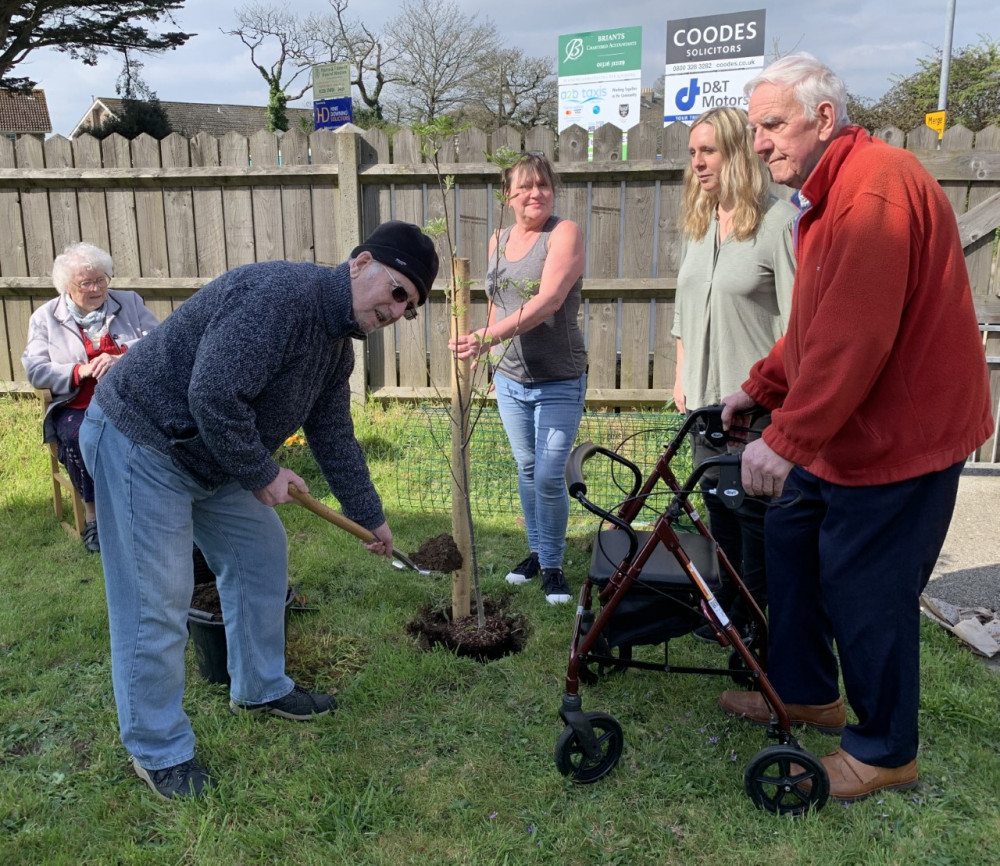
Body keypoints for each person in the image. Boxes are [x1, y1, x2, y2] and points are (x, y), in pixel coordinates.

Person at [79, 220, 439, 800]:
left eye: (411, 307)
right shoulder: (280, 299)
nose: (398, 310)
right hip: (141, 440)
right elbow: (213, 394)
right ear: (361, 263)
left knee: (261, 551)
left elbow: (333, 433)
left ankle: (260, 686)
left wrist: (369, 514)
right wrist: (263, 472)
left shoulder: (334, 348)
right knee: (156, 598)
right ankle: (159, 750)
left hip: (208, 455)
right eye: (397, 291)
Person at [717, 53, 993, 802]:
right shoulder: (827, 196)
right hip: (851, 426)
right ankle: (809, 692)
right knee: (792, 536)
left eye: (773, 125)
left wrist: (787, 438)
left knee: (867, 584)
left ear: (824, 118)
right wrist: (764, 386)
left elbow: (855, 336)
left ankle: (884, 752)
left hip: (902, 436)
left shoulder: (877, 190)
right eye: (755, 127)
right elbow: (816, 320)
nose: (761, 142)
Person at [672, 106, 796, 641]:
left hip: (755, 405)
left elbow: (801, 324)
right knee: (717, 509)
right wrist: (681, 377)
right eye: (693, 152)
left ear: (739, 153)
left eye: (709, 151)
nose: (698, 163)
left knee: (754, 518)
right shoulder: (700, 226)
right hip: (704, 401)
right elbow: (683, 309)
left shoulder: (778, 223)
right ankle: (728, 611)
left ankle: (761, 622)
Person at [449, 153, 586, 605]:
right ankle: (536, 551)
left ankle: (552, 565)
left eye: (543, 185)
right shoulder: (497, 240)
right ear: (507, 195)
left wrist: (486, 336)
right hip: (509, 379)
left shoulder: (563, 234)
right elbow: (496, 303)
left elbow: (547, 301)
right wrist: (490, 358)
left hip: (559, 377)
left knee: (548, 474)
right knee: (527, 468)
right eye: (525, 187)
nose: (535, 194)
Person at [22, 242, 159, 553]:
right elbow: (36, 370)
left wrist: (121, 357)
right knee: (79, 436)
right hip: (78, 404)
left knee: (162, 427)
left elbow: (159, 344)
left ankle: (151, 505)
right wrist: (79, 371)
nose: (98, 288)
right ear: (67, 286)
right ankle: (94, 516)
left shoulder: (129, 302)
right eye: (87, 282)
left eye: (102, 279)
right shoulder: (45, 317)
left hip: (130, 399)